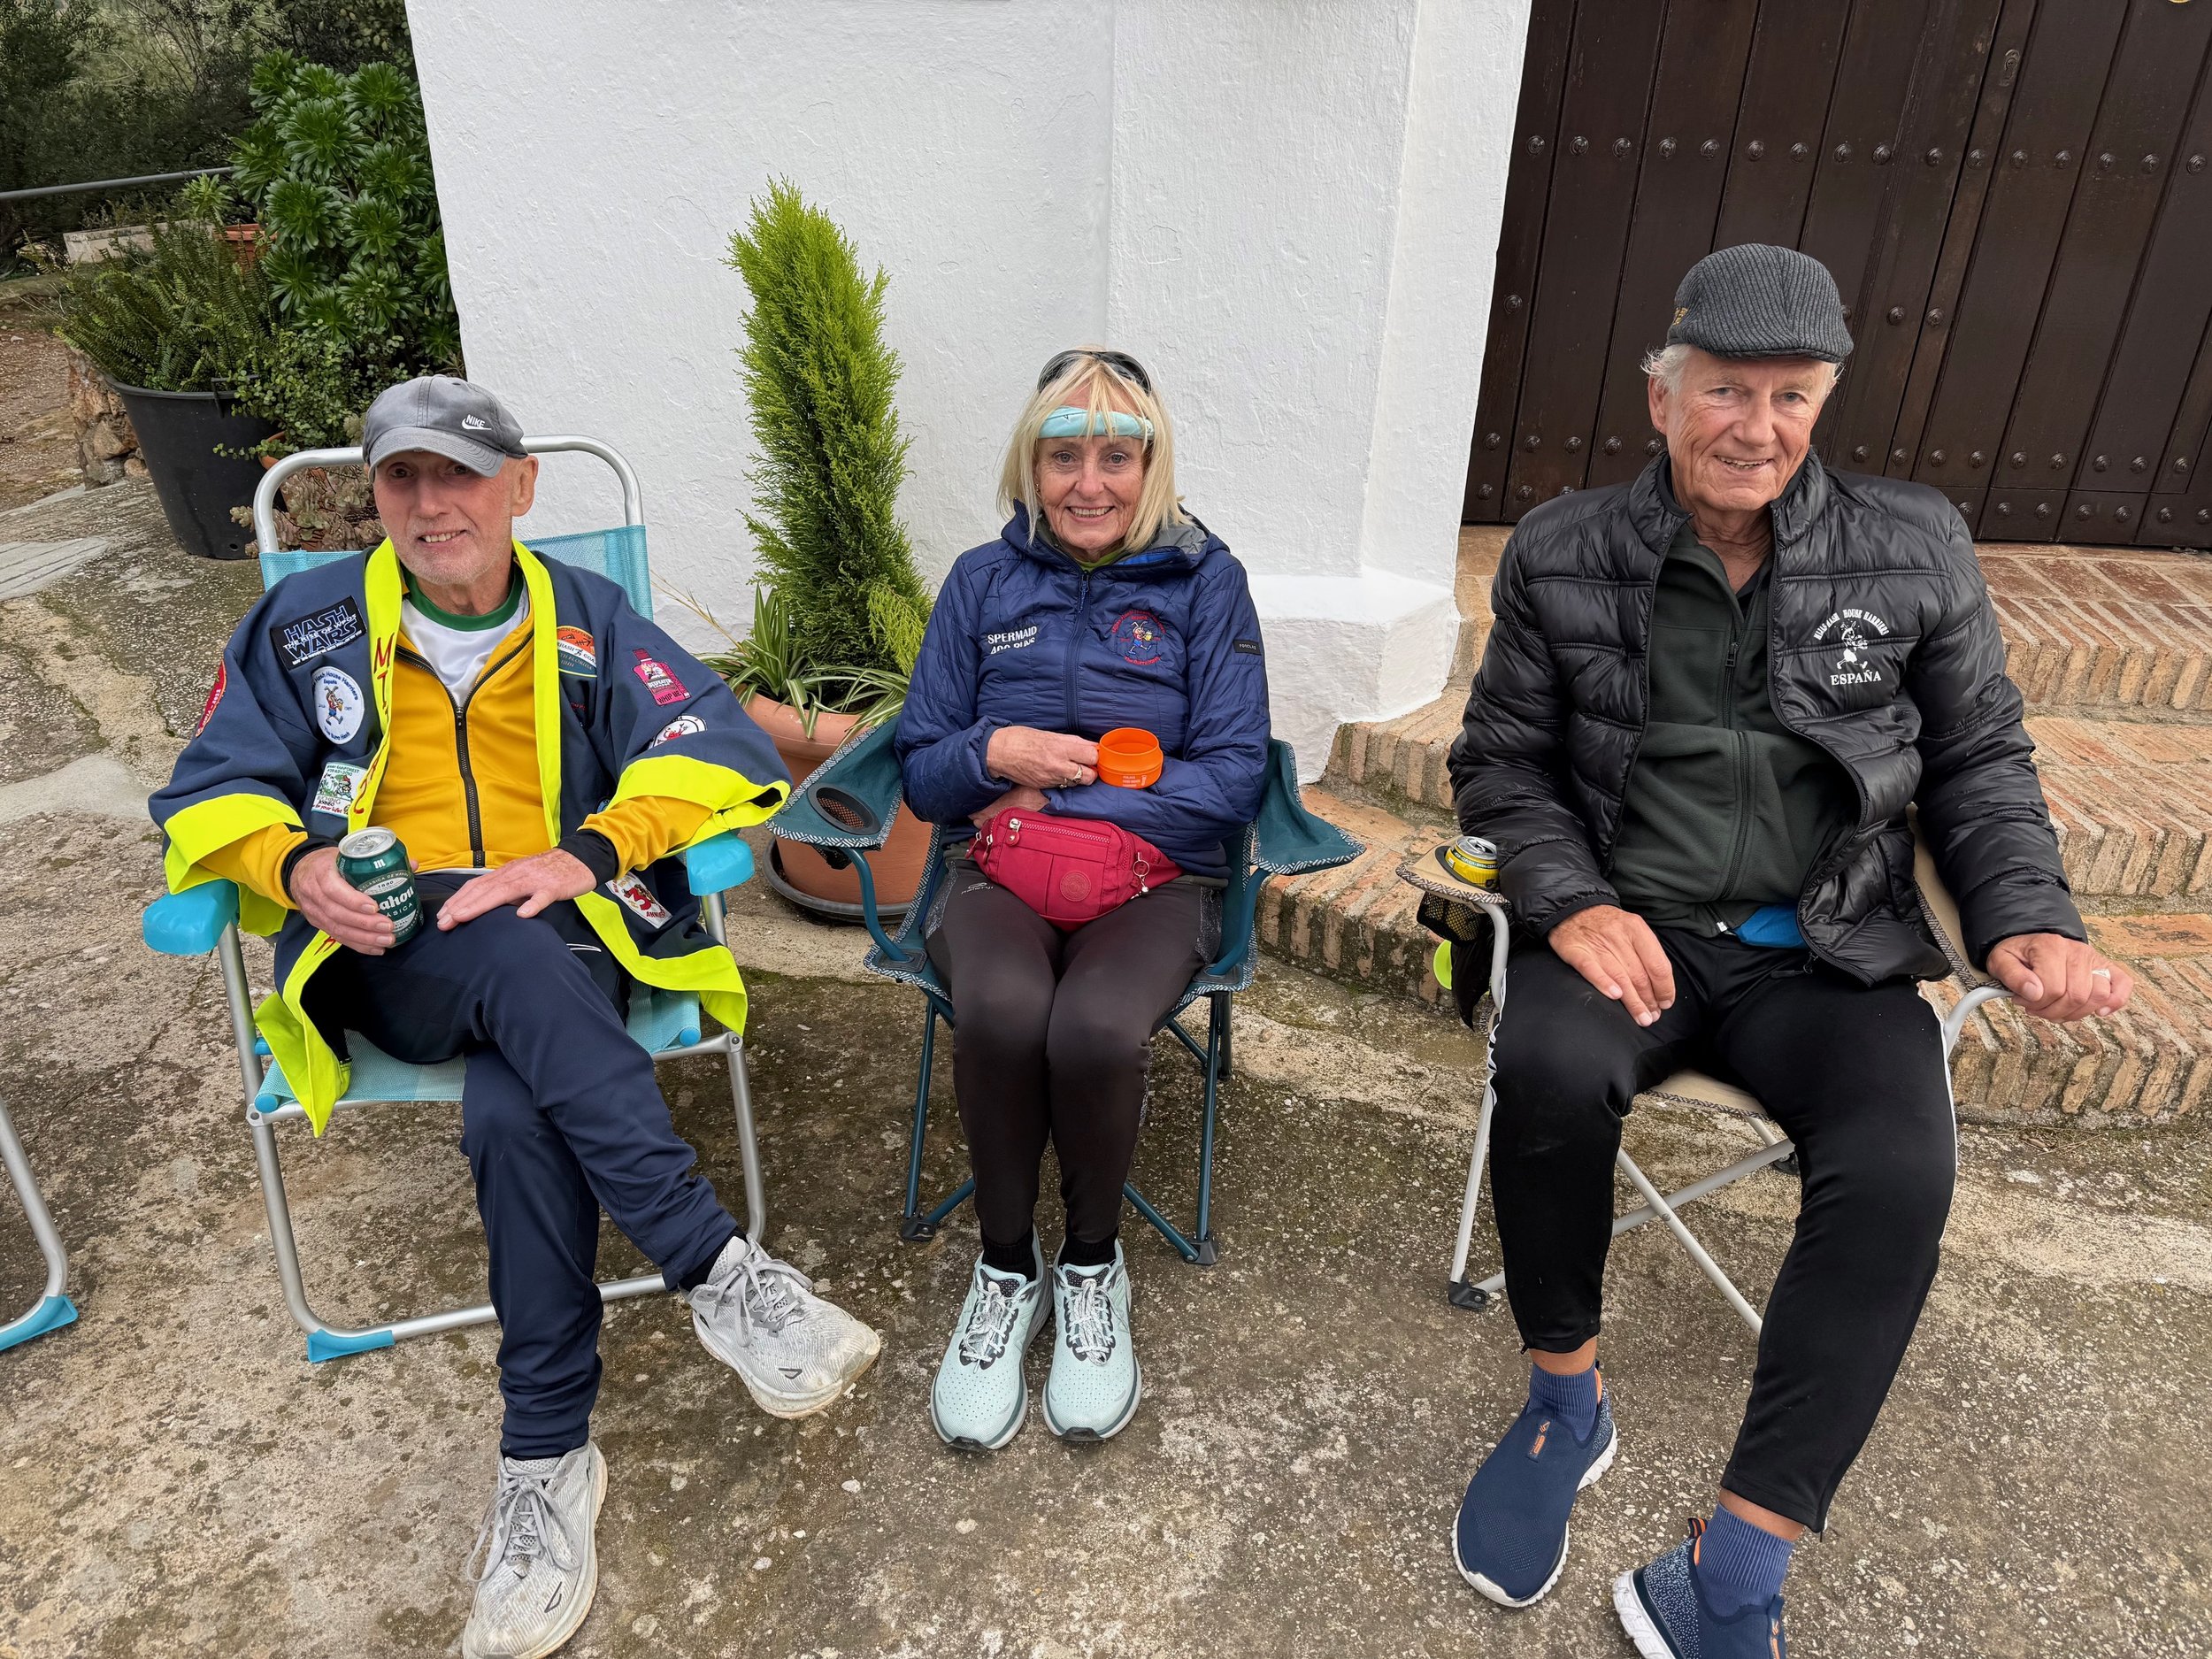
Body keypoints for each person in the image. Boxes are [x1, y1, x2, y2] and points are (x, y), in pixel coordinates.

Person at [1443, 246, 2133, 1657]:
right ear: (1662, 396)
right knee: (1548, 1071)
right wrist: (1569, 901)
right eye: (1725, 390)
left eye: (1792, 396)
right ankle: (1567, 1403)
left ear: (1822, 404)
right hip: (1630, 933)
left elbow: (1981, 760)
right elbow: (1500, 763)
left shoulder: (1914, 543)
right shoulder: (1563, 548)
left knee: (1901, 1165)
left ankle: (1733, 1567)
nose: (1757, 427)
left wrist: (2025, 918)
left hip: (1826, 949)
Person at [150, 376, 881, 1659]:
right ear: (374, 496)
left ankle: (545, 1461)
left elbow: (713, 747)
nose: (432, 504)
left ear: (521, 487)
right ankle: (719, 1269)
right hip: (385, 954)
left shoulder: (589, 617)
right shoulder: (305, 625)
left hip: (567, 939)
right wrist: (294, 867)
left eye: (461, 474)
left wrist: (590, 851)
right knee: (491, 946)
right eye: (402, 477)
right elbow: (210, 785)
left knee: (511, 1110)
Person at [895, 348, 1270, 1449]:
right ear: (1032, 464)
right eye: (1064, 457)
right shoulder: (979, 581)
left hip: (1158, 877)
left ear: (1151, 466)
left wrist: (1075, 794)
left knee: (1097, 1028)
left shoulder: (1207, 582)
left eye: (1116, 456)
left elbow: (1233, 776)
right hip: (996, 870)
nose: (1089, 483)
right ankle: (1006, 1271)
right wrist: (992, 751)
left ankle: (1093, 1267)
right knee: (1007, 1012)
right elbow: (922, 768)